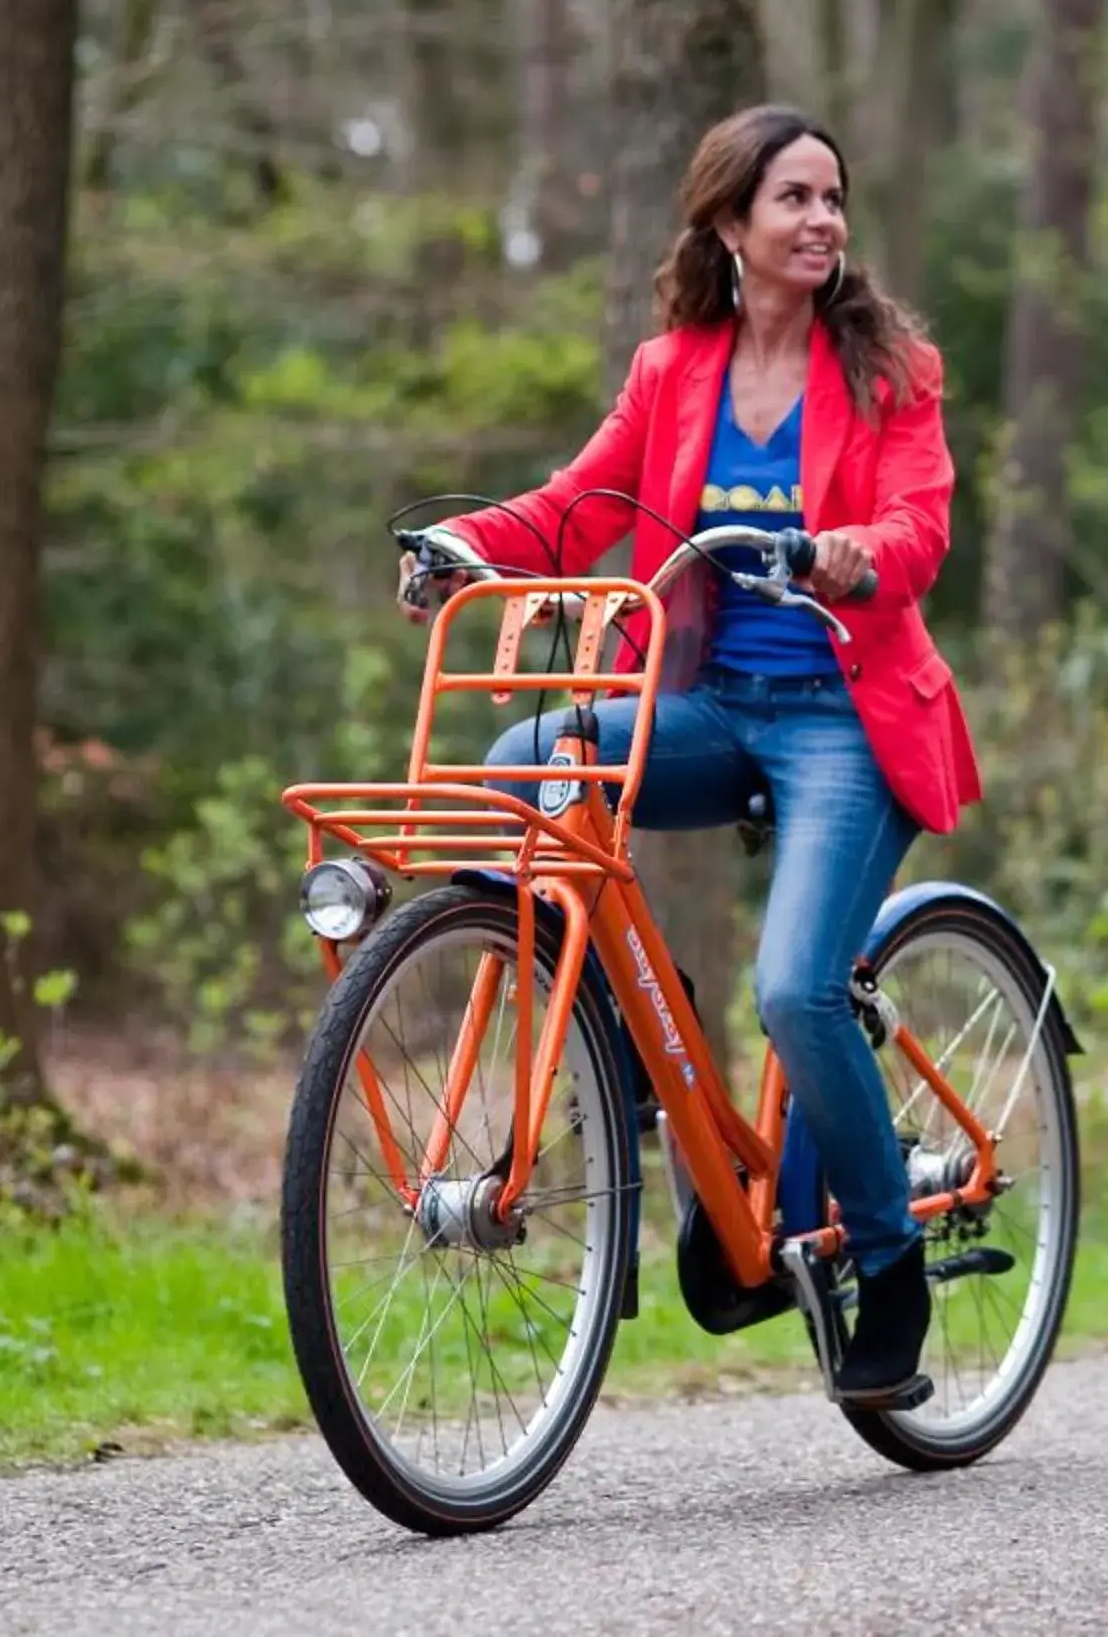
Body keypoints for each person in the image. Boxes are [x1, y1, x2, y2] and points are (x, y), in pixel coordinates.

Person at [400, 103, 980, 1406]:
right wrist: (470, 552)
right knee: (525, 759)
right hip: (709, 703)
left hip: (846, 717)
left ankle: (887, 1269)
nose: (822, 219)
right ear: (729, 221)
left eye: (834, 197)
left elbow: (920, 526)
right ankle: (626, 1033)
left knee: (794, 992)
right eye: (794, 198)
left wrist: (856, 552)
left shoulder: (893, 370)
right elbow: (579, 507)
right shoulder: (677, 370)